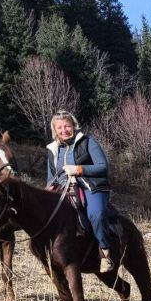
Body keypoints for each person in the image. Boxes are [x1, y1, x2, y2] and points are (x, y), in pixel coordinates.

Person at [45, 110, 114, 273]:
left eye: (67, 126)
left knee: (96, 214)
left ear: (73, 126)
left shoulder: (88, 141)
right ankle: (50, 255)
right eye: (59, 127)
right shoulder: (53, 149)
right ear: (55, 130)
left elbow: (103, 167)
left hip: (90, 186)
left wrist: (78, 169)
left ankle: (105, 254)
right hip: (63, 188)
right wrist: (48, 189)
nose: (64, 130)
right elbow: (50, 177)